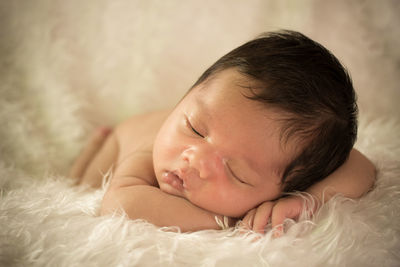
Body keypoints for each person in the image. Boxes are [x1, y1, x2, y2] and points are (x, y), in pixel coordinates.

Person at [69, 30, 376, 234]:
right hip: (121, 140)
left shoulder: (289, 167)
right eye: (195, 129)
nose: (194, 159)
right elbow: (119, 204)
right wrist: (229, 222)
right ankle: (92, 149)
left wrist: (306, 201)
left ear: (281, 189)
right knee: (81, 189)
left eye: (235, 171)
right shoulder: (151, 152)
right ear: (186, 96)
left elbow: (360, 166)